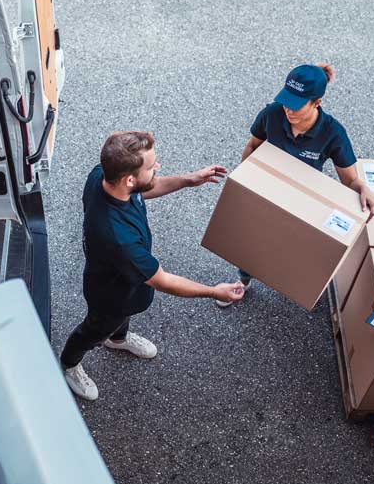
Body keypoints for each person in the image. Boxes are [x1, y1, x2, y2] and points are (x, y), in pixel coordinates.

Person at [60, 131, 245, 400]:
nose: (157, 167)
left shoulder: (103, 176)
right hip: (110, 294)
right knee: (95, 328)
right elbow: (162, 280)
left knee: (122, 317)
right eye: (151, 166)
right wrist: (214, 292)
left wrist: (188, 179)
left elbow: (145, 189)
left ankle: (118, 339)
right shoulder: (119, 239)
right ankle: (69, 364)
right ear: (130, 178)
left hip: (128, 282)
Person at [218, 62, 374, 307]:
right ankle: (243, 279)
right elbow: (253, 145)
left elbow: (350, 179)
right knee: (253, 240)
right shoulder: (272, 114)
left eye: (297, 104)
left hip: (302, 199)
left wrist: (363, 189)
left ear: (317, 103)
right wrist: (246, 180)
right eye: (286, 100)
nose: (288, 109)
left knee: (291, 244)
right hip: (267, 190)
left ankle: (292, 281)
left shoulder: (333, 133)